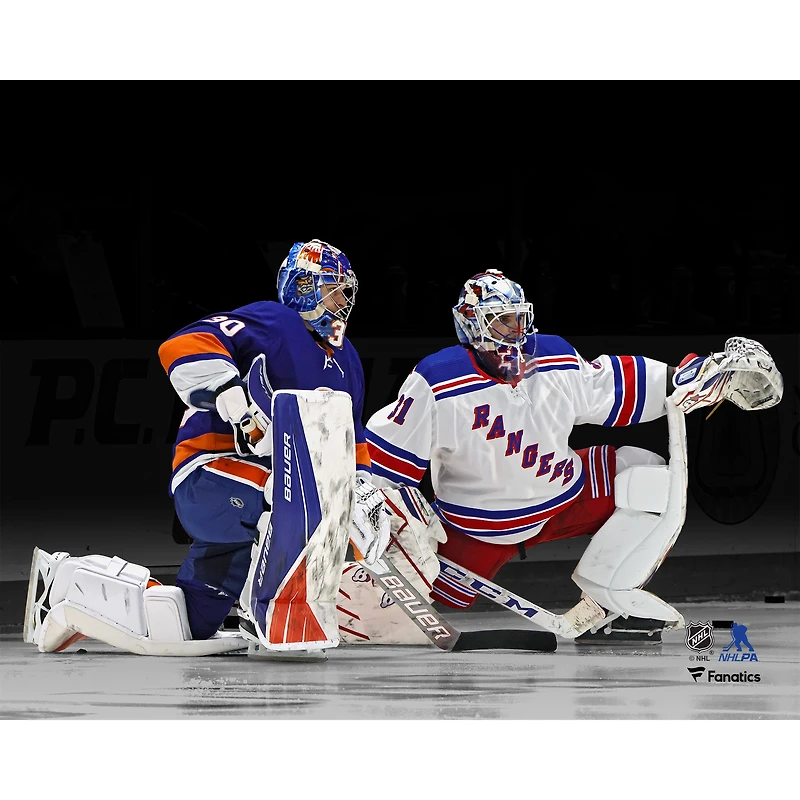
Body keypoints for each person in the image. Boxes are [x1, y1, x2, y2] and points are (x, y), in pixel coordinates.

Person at [351, 268, 783, 644]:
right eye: (501, 321)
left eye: (519, 318)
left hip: (564, 500)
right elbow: (384, 465)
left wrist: (699, 375)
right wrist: (375, 518)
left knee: (648, 476)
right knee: (394, 607)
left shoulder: (552, 356)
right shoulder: (438, 380)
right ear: (471, 325)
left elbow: (612, 386)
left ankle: (608, 605)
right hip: (479, 530)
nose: (515, 331)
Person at [23, 239, 391, 657]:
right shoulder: (276, 321)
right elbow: (184, 343)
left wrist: (361, 492)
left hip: (255, 491)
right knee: (293, 495)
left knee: (185, 623)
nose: (342, 301)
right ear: (302, 287)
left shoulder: (349, 361)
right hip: (210, 470)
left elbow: (351, 438)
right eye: (332, 289)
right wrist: (229, 395)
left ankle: (66, 583)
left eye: (345, 291)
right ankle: (274, 614)